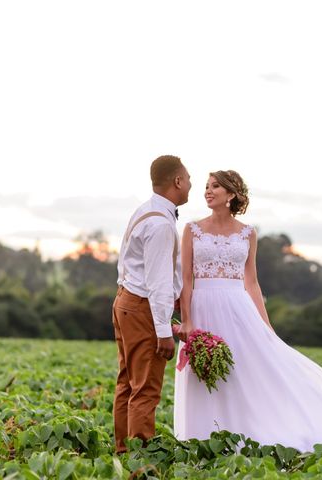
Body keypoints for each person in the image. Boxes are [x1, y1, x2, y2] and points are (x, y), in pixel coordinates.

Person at [173, 170, 322, 452]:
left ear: (231, 195)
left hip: (238, 308)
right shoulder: (192, 229)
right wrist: (188, 320)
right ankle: (204, 437)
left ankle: (250, 431)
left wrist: (266, 326)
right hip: (202, 307)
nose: (208, 190)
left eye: (215, 186)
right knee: (204, 373)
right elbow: (186, 278)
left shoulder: (248, 234)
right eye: (206, 186)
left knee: (245, 371)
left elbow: (251, 282)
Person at [112, 154, 191, 454]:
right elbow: (158, 283)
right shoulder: (161, 225)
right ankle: (140, 464)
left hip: (126, 300)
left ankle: (123, 452)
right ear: (178, 181)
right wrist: (163, 332)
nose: (191, 184)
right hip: (143, 306)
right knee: (145, 389)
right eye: (189, 178)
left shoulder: (145, 211)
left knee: (128, 382)